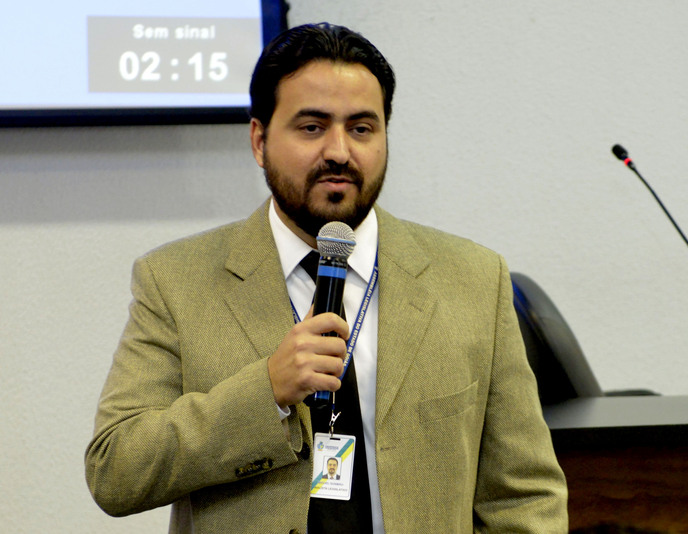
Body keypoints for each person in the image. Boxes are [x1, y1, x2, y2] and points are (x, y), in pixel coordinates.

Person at [85, 22, 568, 533]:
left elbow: (524, 495)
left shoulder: (473, 279)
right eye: (312, 127)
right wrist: (266, 392)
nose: (339, 151)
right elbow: (115, 471)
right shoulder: (176, 281)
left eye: (361, 128)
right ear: (259, 140)